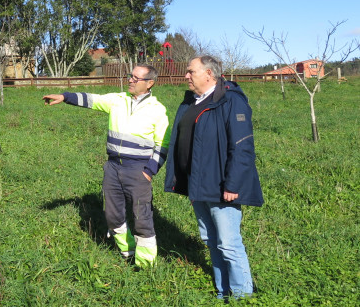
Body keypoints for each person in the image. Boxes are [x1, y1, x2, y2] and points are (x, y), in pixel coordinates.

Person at [43, 64, 170, 267]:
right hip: (113, 168)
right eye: (130, 76)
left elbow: (163, 144)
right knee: (112, 215)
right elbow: (92, 99)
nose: (130, 80)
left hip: (138, 170)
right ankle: (128, 252)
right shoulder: (118, 100)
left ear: (149, 83)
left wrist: (149, 171)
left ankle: (146, 266)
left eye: (136, 78)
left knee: (141, 218)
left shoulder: (157, 110)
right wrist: (65, 97)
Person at [164, 56, 263, 299]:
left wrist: (233, 184)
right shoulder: (191, 102)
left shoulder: (230, 100)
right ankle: (223, 291)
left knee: (228, 243)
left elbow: (242, 146)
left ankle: (243, 296)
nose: (186, 75)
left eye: (191, 71)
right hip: (199, 185)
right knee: (211, 240)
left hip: (221, 186)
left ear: (209, 73)